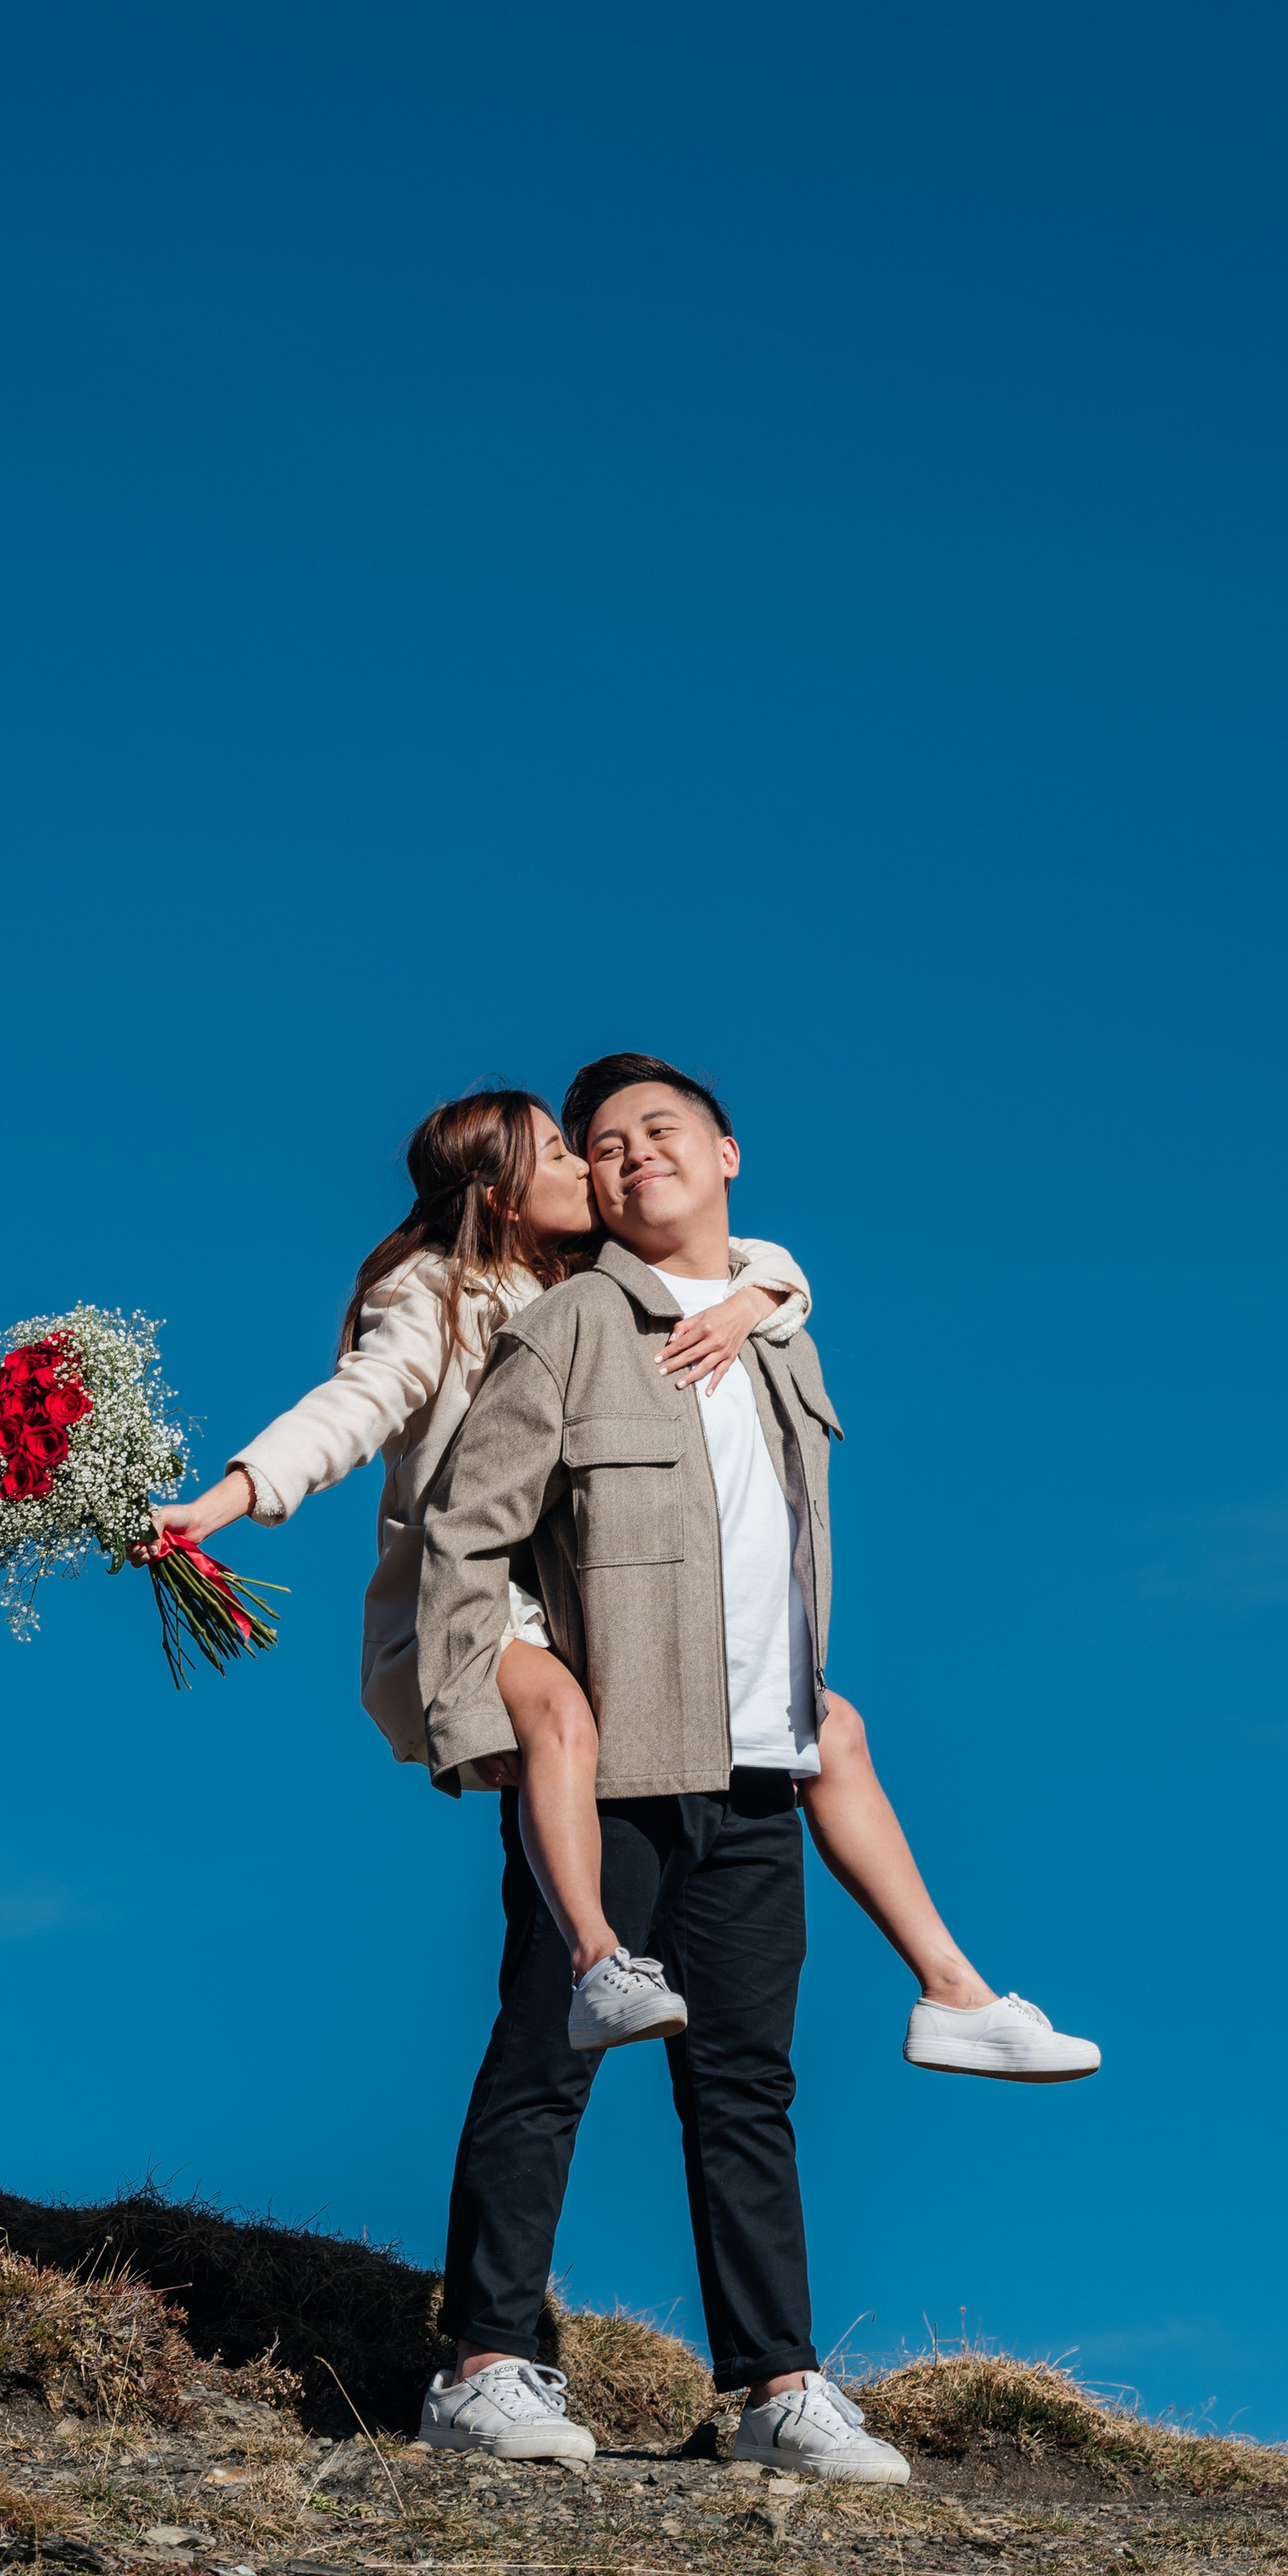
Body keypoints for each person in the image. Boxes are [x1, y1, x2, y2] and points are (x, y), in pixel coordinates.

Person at [410, 1056, 1097, 2482]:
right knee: (547, 2056)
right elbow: (465, 1542)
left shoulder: (780, 1331)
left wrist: (763, 1294)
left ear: (727, 1149)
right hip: (611, 1774)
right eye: (599, 1147)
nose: (629, 1156)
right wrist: (484, 1731)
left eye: (659, 1130)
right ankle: (483, 2360)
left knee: (747, 2086)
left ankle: (779, 2388)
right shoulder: (569, 1330)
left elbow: (782, 1294)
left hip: (760, 1770)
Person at [135, 1086, 817, 2047]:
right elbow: (355, 1404)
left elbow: (764, 1262)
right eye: (559, 1154)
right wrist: (222, 1501)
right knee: (561, 1718)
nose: (590, 1165)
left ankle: (946, 1988)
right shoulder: (435, 1294)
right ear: (498, 1196)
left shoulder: (594, 1282)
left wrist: (750, 1303)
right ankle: (595, 1960)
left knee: (828, 1730)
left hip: (573, 1611)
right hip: (471, 1607)